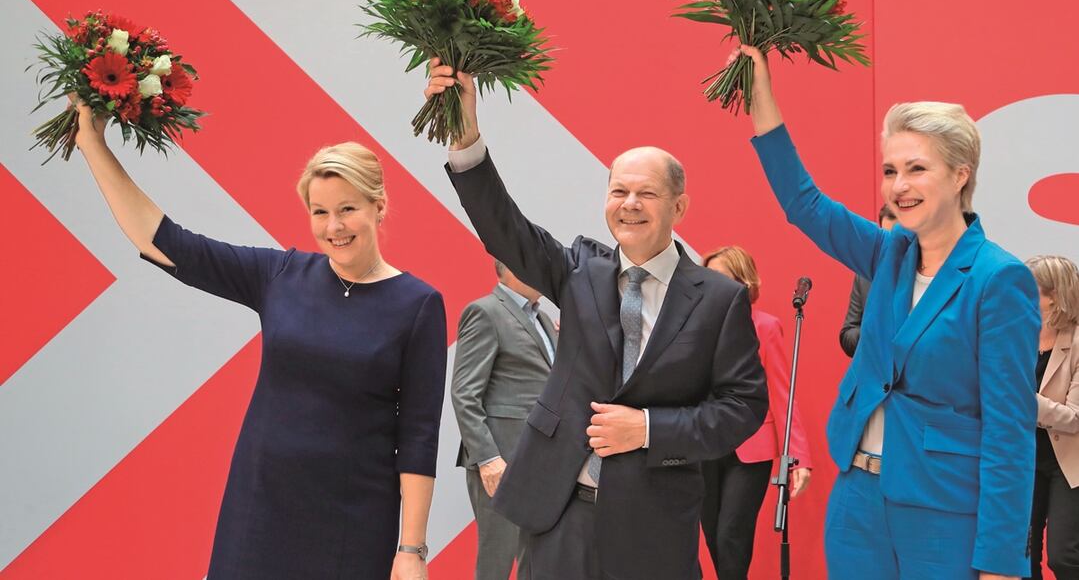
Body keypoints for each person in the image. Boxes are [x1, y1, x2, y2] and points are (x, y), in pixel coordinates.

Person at [71, 100, 447, 580]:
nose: (333, 227)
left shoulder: (419, 305)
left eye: (348, 209)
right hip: (258, 512)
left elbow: (418, 437)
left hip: (353, 526)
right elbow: (166, 243)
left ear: (379, 206)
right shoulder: (281, 275)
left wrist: (412, 550)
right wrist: (92, 145)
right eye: (320, 212)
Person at [425, 58, 768, 580]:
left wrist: (648, 428)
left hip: (653, 525)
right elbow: (503, 227)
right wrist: (465, 131)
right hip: (559, 512)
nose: (629, 204)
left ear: (679, 207)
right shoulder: (578, 271)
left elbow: (743, 408)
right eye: (618, 191)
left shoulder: (719, 299)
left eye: (646, 193)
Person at [739, 45, 1040, 580]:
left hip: (944, 510)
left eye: (917, 169)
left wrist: (1000, 561)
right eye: (890, 170)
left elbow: (1009, 430)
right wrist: (760, 91)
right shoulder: (888, 254)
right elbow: (804, 203)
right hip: (857, 499)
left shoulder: (999, 279)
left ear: (960, 175)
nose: (898, 186)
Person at [699, 245, 814, 580]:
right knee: (713, 536)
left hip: (750, 450)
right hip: (704, 443)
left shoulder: (765, 327)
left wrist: (798, 458)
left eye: (721, 278)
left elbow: (782, 395)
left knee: (731, 536)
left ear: (744, 283)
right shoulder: (695, 327)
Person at [452, 260, 557, 580]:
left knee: (536, 561)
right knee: (496, 564)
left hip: (541, 461)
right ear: (512, 266)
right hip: (502, 464)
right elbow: (464, 393)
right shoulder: (485, 312)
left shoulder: (543, 318)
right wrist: (488, 459)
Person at [1025, 255, 1079, 580]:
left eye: (1028, 287)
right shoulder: (1017, 334)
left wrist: (1023, 400)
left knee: (1063, 557)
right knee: (1021, 555)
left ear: (1055, 296)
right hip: (1022, 457)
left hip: (1068, 463)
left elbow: (1074, 418)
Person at [840, 204, 897, 357]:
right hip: (876, 368)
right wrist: (870, 333)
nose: (890, 244)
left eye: (895, 237)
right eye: (885, 236)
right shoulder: (865, 275)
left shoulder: (927, 272)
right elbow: (848, 334)